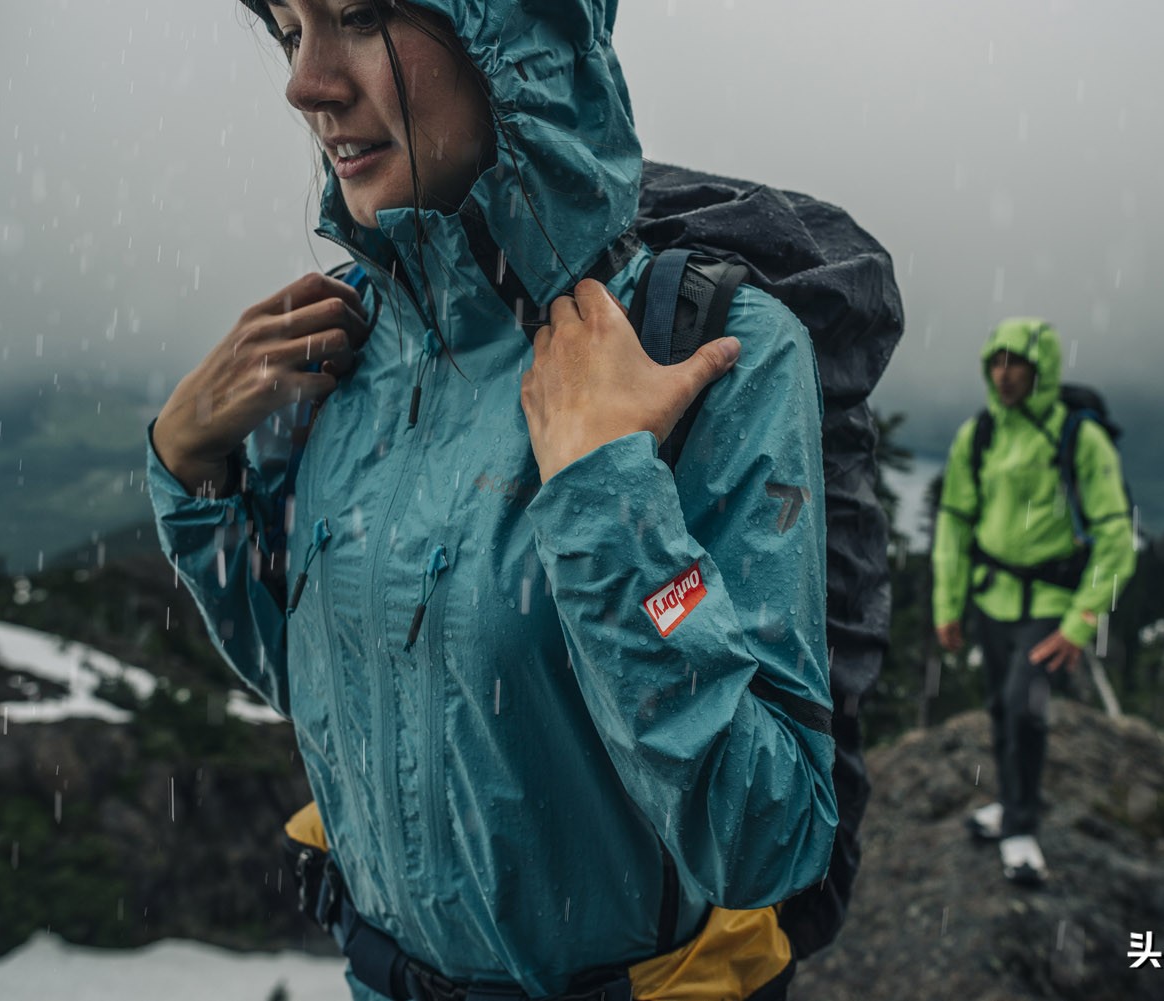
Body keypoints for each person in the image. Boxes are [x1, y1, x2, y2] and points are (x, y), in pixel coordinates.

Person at [146, 2, 837, 998]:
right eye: (291, 30)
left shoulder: (710, 349)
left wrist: (608, 500)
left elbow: (769, 835)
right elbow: (343, 692)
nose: (304, 83)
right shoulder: (352, 344)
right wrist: (192, 473)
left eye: (360, 15)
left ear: (514, 38)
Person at [931, 318, 1135, 885]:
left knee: (1024, 706)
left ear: (1042, 369)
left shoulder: (1077, 435)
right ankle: (1010, 805)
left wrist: (1081, 620)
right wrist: (948, 605)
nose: (1004, 375)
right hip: (992, 597)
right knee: (1003, 707)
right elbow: (954, 522)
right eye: (995, 363)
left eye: (1016, 363)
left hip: (1051, 600)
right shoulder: (979, 435)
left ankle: (1020, 829)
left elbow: (1116, 535)